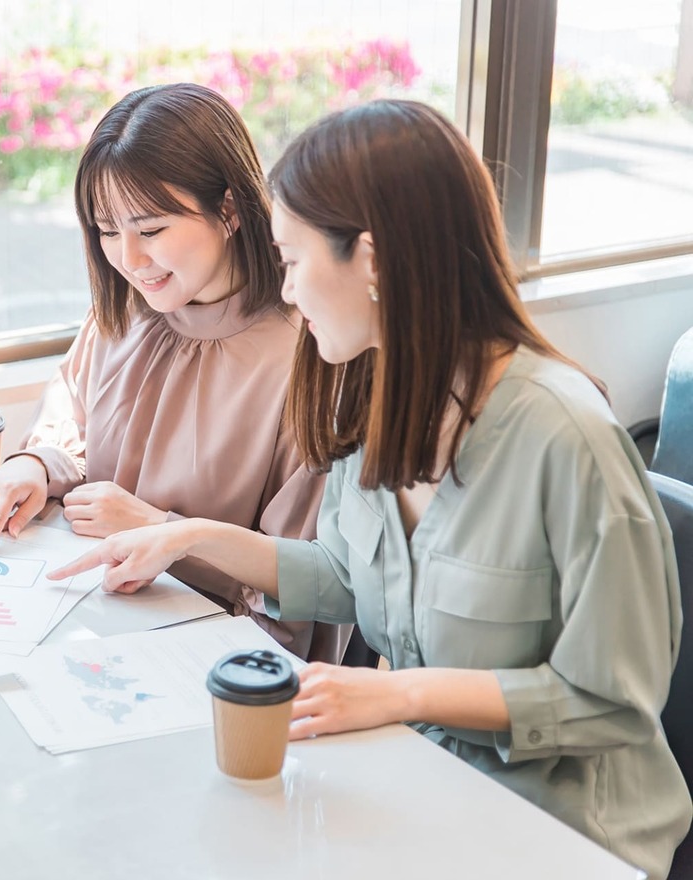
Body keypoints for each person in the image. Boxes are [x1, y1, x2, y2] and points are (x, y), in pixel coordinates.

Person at [50, 99, 692, 879]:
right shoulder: (376, 397)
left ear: (373, 258)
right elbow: (350, 578)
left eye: (291, 262)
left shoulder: (565, 438)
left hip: (563, 832)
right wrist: (186, 537)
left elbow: (610, 705)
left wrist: (400, 696)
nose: (284, 293)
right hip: (421, 786)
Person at [0, 82, 341, 662]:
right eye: (108, 231)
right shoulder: (129, 310)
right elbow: (73, 408)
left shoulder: (307, 352)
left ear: (228, 209)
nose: (129, 260)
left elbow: (306, 581)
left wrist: (157, 528)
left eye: (150, 230)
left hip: (218, 654)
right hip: (95, 616)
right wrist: (36, 462)